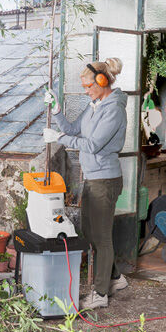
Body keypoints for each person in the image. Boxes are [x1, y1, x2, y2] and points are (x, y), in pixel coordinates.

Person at [42, 58, 128, 310]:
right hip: (93, 178)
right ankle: (116, 278)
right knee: (90, 234)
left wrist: (61, 138)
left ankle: (100, 294)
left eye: (88, 85)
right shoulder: (95, 105)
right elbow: (72, 129)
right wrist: (57, 112)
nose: (85, 90)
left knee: (101, 238)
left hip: (106, 179)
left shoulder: (113, 110)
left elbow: (92, 145)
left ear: (103, 81)